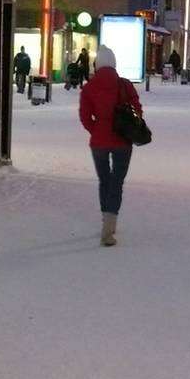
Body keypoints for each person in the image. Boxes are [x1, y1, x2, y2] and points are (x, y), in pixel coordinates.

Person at [79, 45, 142, 247]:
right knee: (117, 181)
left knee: (104, 180)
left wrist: (96, 130)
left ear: (97, 64)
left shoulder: (89, 87)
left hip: (98, 142)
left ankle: (105, 221)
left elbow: (84, 116)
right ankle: (110, 224)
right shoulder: (124, 85)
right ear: (114, 63)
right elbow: (137, 111)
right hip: (123, 141)